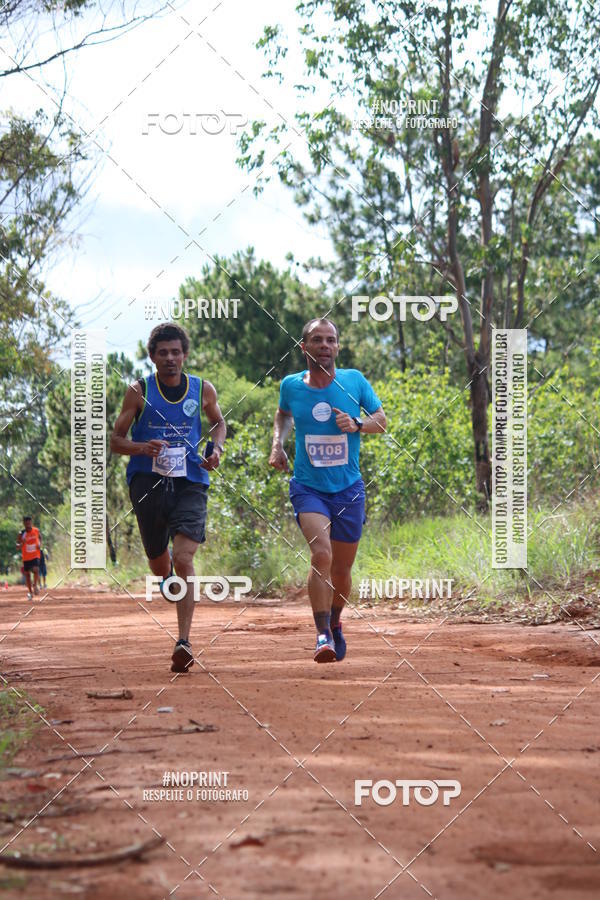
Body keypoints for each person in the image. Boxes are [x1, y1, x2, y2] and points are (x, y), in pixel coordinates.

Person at [110, 322, 226, 673]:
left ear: (185, 355)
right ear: (153, 357)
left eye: (176, 352)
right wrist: (143, 447)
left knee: (184, 559)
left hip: (191, 480)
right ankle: (164, 577)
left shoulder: (202, 389)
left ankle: (184, 641)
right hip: (147, 483)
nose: (171, 358)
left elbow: (218, 423)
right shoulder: (139, 391)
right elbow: (115, 441)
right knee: (162, 564)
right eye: (163, 353)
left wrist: (216, 449)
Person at [269, 318, 387, 663]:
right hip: (308, 487)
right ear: (303, 347)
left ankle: (335, 623)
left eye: (330, 340)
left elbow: (381, 418)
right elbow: (283, 415)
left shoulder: (354, 381)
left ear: (337, 347)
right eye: (317, 340)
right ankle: (321, 635)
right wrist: (278, 445)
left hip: (348, 488)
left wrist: (358, 424)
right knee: (321, 554)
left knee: (341, 571)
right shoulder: (291, 386)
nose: (324, 345)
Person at [16, 516, 42, 600]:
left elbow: (40, 538)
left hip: (35, 555)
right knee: (27, 575)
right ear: (24, 523)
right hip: (26, 557)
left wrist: (39, 544)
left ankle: (35, 585)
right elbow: (17, 546)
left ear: (31, 522)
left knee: (36, 569)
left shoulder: (36, 530)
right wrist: (21, 544)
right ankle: (30, 592)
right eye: (26, 523)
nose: (28, 525)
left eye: (29, 523)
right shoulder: (21, 533)